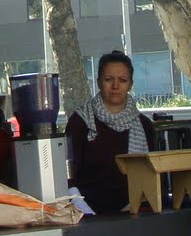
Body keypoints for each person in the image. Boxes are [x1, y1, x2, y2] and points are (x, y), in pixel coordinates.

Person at [65, 50, 155, 214]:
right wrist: (86, 213)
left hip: (134, 212)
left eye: (122, 80)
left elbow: (153, 176)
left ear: (130, 84)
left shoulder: (144, 125)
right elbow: (68, 177)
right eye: (108, 79)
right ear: (99, 82)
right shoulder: (79, 122)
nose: (115, 86)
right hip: (86, 214)